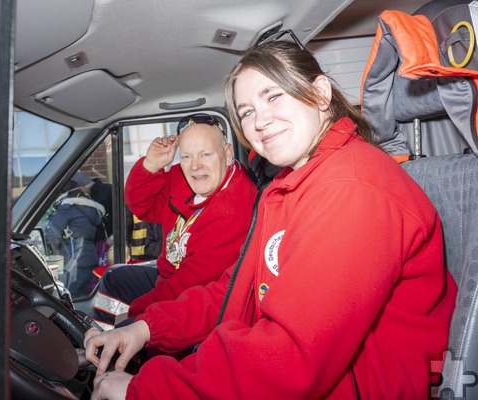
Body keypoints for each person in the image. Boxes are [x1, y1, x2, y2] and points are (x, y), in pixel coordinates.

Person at [83, 40, 457, 399]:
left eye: (273, 96)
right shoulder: (289, 187)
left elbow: (291, 358)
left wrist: (145, 389)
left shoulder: (351, 185)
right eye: (246, 112)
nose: (260, 121)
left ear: (321, 94)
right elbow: (235, 291)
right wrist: (147, 328)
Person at [91, 113, 257, 328]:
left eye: (205, 154)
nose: (195, 166)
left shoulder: (232, 210)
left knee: (127, 328)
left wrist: (135, 315)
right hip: (168, 274)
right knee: (114, 277)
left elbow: (188, 286)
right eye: (187, 156)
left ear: (226, 154)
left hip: (194, 298)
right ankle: (97, 338)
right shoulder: (183, 176)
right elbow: (143, 207)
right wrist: (150, 165)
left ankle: (111, 352)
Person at [46, 176, 105, 296]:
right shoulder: (90, 208)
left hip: (73, 262)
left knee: (69, 298)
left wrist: (46, 250)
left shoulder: (66, 208)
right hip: (90, 258)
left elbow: (53, 235)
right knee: (84, 297)